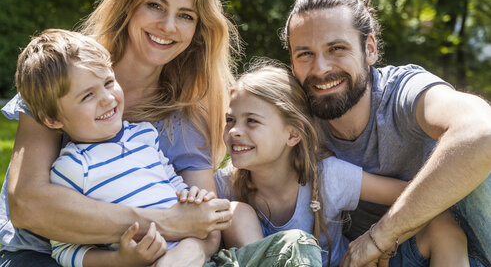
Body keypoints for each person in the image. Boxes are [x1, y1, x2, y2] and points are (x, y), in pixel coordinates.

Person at [0, 0, 239, 266]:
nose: (168, 26)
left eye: (186, 15)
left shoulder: (186, 119)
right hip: (38, 255)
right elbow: (27, 205)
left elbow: (207, 229)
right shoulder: (63, 70)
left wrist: (186, 252)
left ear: (197, 30)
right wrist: (165, 222)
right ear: (130, 4)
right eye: (155, 5)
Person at [15, 29, 322, 267]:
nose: (107, 99)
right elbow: (66, 250)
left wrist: (193, 197)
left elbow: (175, 187)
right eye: (87, 96)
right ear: (53, 119)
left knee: (297, 243)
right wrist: (120, 261)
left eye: (109, 83)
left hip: (203, 257)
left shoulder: (143, 137)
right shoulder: (71, 167)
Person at [280, 0, 491, 266]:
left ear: (369, 49)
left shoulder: (403, 92)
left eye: (336, 48)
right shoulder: (295, 122)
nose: (320, 68)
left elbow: (483, 132)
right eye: (305, 54)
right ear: (292, 63)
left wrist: (379, 236)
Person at [214, 62, 470, 267]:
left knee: (443, 226)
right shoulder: (225, 185)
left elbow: (413, 197)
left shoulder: (327, 176)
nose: (234, 130)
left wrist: (384, 238)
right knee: (237, 213)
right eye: (230, 119)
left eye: (252, 121)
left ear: (293, 134)